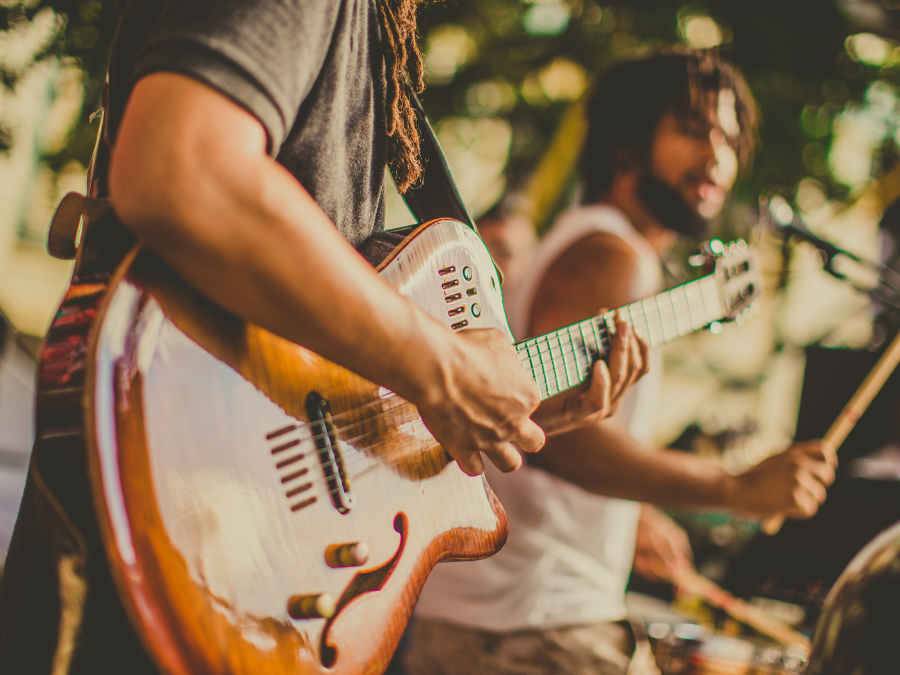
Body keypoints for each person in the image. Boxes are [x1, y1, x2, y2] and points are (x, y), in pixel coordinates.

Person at [0, 1, 648, 673]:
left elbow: (309, 345)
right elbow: (182, 167)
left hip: (241, 547)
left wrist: (488, 402)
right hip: (176, 515)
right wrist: (443, 364)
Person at [404, 48, 837, 675]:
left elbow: (550, 420)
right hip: (531, 626)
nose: (718, 154)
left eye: (729, 135)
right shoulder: (612, 252)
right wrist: (737, 490)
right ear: (628, 143)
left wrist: (632, 511)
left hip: (505, 615)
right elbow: (561, 444)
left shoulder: (592, 240)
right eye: (692, 131)